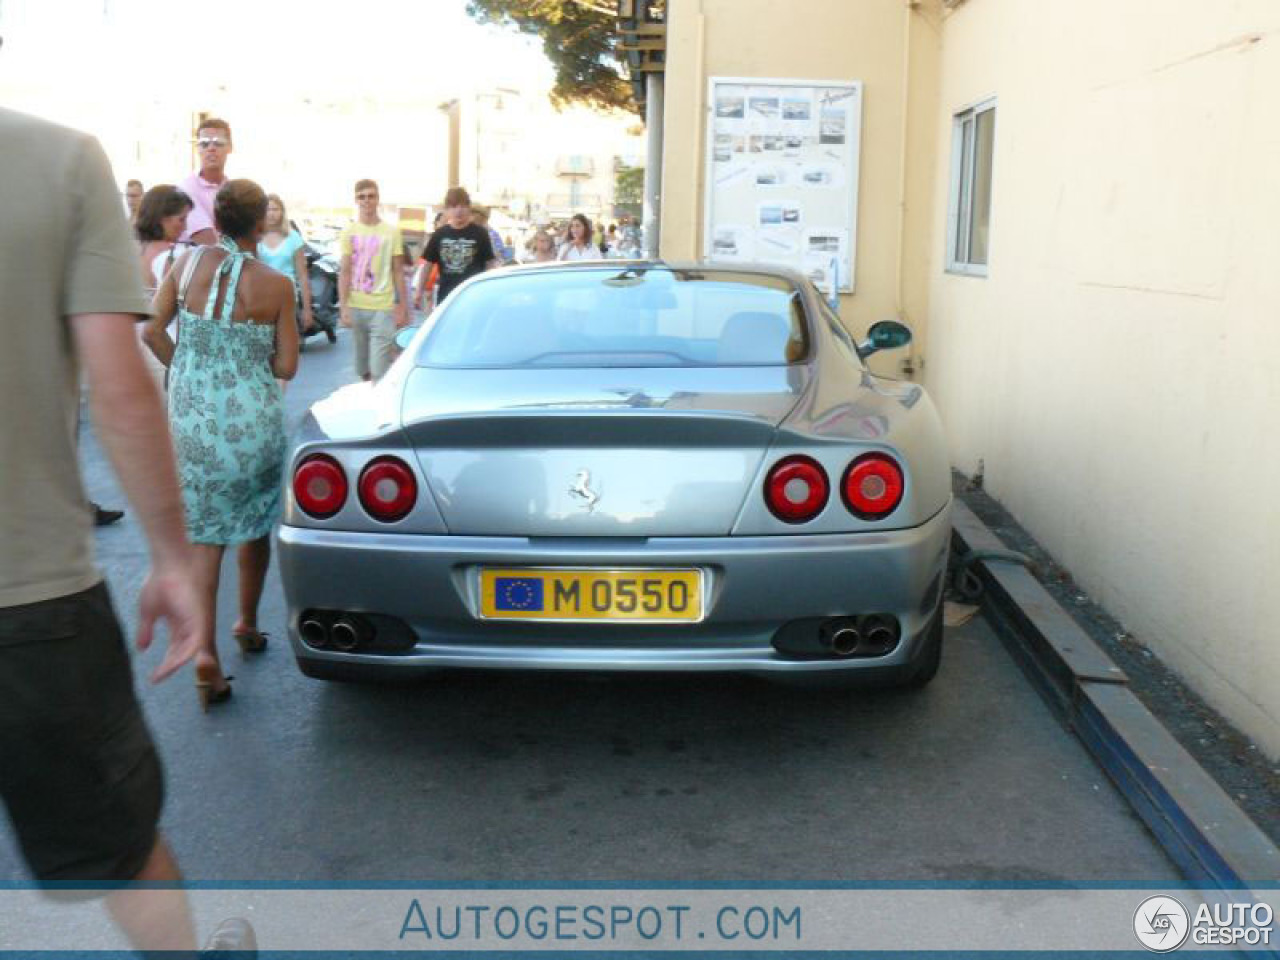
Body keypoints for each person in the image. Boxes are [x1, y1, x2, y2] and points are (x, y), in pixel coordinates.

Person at [0, 106, 255, 954]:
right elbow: (119, 381)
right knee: (119, 849)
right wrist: (173, 558)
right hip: (29, 600)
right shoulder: (54, 161)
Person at [144, 179, 299, 711]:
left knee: (205, 537)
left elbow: (152, 332)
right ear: (261, 224)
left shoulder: (184, 266)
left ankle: (204, 652)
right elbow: (286, 365)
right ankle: (247, 624)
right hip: (252, 422)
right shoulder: (276, 285)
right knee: (255, 522)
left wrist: (187, 370)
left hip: (194, 421)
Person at [336, 179, 409, 382]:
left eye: (371, 196)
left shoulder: (392, 232)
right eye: (362, 197)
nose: (367, 201)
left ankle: (379, 405)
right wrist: (343, 306)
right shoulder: (348, 232)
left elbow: (397, 271)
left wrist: (402, 305)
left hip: (383, 307)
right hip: (357, 305)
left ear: (378, 199)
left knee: (379, 367)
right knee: (362, 368)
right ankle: (369, 395)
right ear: (356, 200)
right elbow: (345, 270)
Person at [134, 185, 193, 392]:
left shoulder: (130, 250)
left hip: (130, 347)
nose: (184, 228)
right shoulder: (173, 257)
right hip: (163, 345)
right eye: (181, 219)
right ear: (163, 218)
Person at [423, 186, 496, 306]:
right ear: (446, 210)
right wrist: (420, 290)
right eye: (453, 207)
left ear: (468, 208)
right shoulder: (439, 234)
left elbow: (490, 264)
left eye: (462, 206)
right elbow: (428, 264)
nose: (458, 211)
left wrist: (490, 289)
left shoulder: (480, 233)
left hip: (474, 296)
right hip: (447, 297)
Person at [257, 193, 314, 336]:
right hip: (260, 301)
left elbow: (302, 275)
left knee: (288, 349)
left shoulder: (293, 237)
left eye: (275, 209)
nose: (271, 214)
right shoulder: (255, 237)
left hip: (287, 300)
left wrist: (307, 309)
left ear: (282, 212)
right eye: (267, 209)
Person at [178, 117, 233, 245]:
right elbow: (208, 241)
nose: (211, 148)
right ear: (198, 149)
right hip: (199, 260)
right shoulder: (186, 190)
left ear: (230, 147)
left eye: (218, 143)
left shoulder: (232, 189)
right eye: (204, 144)